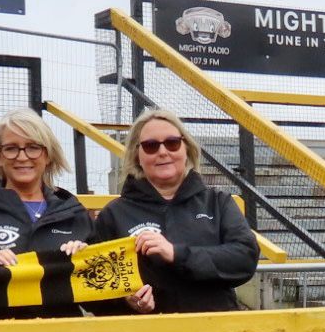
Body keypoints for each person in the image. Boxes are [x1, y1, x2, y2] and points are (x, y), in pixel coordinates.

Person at [87, 107, 258, 313]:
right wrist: (126, 301)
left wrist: (176, 254)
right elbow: (95, 290)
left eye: (172, 143)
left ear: (186, 149)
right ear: (136, 155)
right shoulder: (114, 215)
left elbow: (244, 258)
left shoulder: (218, 203)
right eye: (150, 146)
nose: (163, 152)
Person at [0, 109, 92, 319]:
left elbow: (100, 296)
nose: (22, 157)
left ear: (47, 155)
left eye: (33, 148)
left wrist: (89, 261)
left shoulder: (75, 214)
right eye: (11, 149)